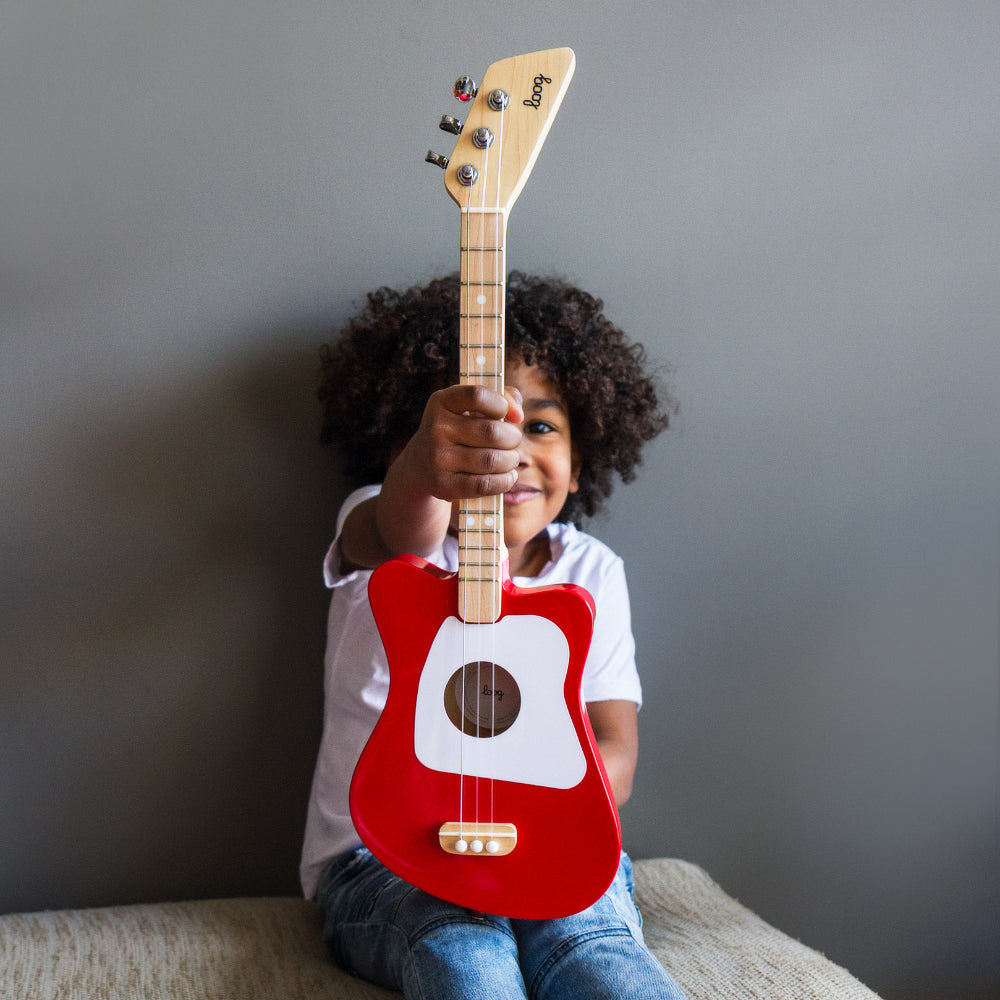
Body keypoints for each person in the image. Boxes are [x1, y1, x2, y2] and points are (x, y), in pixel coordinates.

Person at [300, 271, 685, 999]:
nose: (505, 451)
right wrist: (422, 468)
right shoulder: (393, 535)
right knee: (464, 961)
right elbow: (395, 528)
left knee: (603, 959)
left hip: (548, 842)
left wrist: (533, 807)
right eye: (477, 432)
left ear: (581, 462)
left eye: (538, 425)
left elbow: (616, 754)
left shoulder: (589, 574)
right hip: (379, 857)